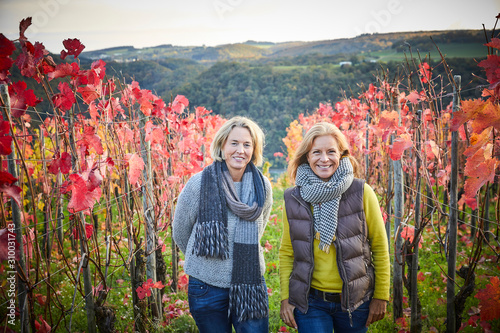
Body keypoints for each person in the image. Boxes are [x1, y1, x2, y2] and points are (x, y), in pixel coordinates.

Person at [279, 122, 390, 333]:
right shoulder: (293, 198)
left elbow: (380, 247)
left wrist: (381, 296)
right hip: (310, 301)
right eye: (316, 152)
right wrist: (286, 297)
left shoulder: (362, 192)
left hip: (355, 301)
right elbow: (287, 253)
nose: (324, 159)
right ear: (306, 156)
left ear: (342, 154)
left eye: (331, 151)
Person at [173, 116, 273, 333]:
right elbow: (181, 231)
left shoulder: (262, 186)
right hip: (206, 286)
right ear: (222, 145)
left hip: (250, 284)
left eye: (247, 144)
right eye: (234, 143)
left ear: (254, 149)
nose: (240, 150)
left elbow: (259, 228)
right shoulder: (199, 183)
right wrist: (205, 260)